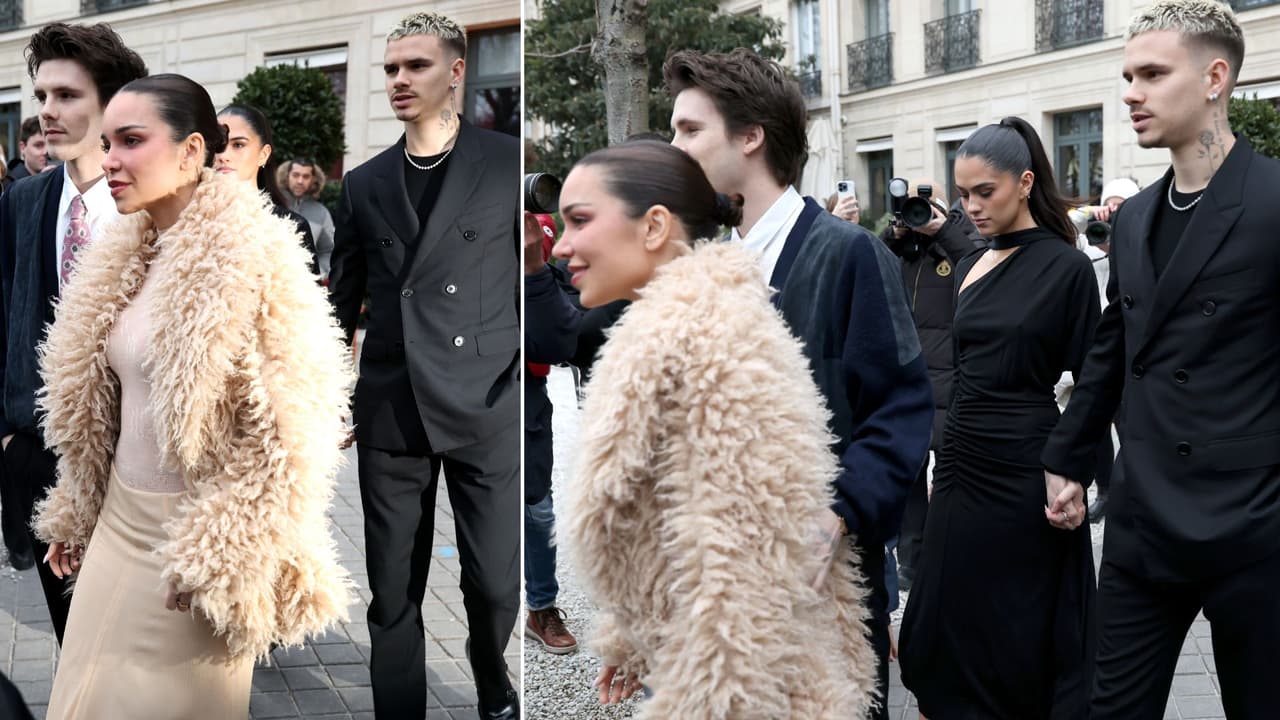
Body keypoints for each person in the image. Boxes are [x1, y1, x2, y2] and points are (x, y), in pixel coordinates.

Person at [32, 72, 352, 719]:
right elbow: (104, 411)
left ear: (191, 152)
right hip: (117, 526)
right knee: (78, 701)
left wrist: (220, 548)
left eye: (130, 141)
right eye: (106, 142)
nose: (109, 160)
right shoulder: (124, 254)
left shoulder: (259, 259)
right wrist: (78, 503)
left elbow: (295, 437)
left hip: (197, 549)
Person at [552, 139, 877, 718]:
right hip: (700, 659)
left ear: (654, 226)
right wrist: (633, 636)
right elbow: (661, 524)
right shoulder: (684, 325)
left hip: (749, 691)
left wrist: (707, 700)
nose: (564, 243)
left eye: (579, 220)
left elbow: (743, 573)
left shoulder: (710, 339)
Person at [665, 49, 934, 717]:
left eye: (690, 130)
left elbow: (901, 411)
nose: (676, 148)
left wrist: (836, 515)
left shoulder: (847, 254)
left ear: (750, 136)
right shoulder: (704, 262)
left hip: (823, 583)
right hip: (720, 585)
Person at [1044, 2, 1280, 717]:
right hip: (1143, 525)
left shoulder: (1273, 200)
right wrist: (1068, 452)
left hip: (1254, 528)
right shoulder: (1138, 214)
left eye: (1151, 74)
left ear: (1215, 77)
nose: (1130, 93)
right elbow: (1116, 345)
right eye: (1126, 76)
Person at [327, 12, 520, 719]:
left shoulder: (505, 162)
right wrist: (325, 401)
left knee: (496, 584)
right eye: (391, 68)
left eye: (417, 66)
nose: (400, 81)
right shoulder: (366, 182)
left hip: (486, 405)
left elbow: (529, 287)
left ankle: (494, 680)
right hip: (392, 406)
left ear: (456, 71)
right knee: (393, 592)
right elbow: (339, 307)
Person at [896, 116, 1100, 719]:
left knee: (1016, 630)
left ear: (1025, 182)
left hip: (1025, 468)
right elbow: (960, 368)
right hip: (960, 462)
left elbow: (1093, 381)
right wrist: (940, 455)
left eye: (985, 192)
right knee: (938, 627)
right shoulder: (969, 263)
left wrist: (1073, 470)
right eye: (962, 195)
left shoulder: (1067, 268)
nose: (971, 207)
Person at [0, 21, 147, 643]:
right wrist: (8, 437)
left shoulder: (151, 202)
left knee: (133, 643)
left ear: (110, 103)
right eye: (42, 97)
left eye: (67, 96)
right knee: (74, 641)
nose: (48, 112)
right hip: (41, 454)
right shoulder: (24, 200)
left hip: (138, 460)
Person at [880, 181, 984, 591]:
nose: (920, 217)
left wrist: (942, 231)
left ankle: (949, 551)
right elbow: (870, 261)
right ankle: (911, 557)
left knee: (950, 475)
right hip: (908, 377)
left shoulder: (958, 243)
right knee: (909, 474)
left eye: (927, 208)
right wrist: (895, 232)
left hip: (950, 377)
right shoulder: (902, 252)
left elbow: (977, 266)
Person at [1059, 177, 1140, 522]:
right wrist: (1093, 214)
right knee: (1099, 422)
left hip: (1129, 344)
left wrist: (1122, 231)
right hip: (1093, 343)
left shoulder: (1138, 238)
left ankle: (1133, 491)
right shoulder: (1088, 241)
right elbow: (1064, 226)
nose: (1116, 214)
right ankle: (1105, 490)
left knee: (1129, 423)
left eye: (1124, 206)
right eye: (1112, 205)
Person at [522, 209, 579, 656]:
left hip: (527, 392)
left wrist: (530, 259)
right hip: (470, 391)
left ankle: (541, 608)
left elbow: (560, 336)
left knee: (537, 510)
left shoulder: (536, 220)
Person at [215, 103, 319, 275]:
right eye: (219, 145)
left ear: (263, 154)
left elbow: (309, 299)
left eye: (238, 145)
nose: (223, 156)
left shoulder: (290, 228)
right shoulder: (191, 225)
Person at [279, 157, 335, 280]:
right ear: (287, 176)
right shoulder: (273, 204)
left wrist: (318, 274)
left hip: (305, 287)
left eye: (306, 176)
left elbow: (328, 251)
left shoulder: (322, 213)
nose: (300, 181)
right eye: (295, 175)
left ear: (313, 180)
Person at [3, 116, 51, 190]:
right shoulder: (9, 185)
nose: (45, 151)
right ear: (22, 148)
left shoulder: (52, 178)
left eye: (48, 144)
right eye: (38, 145)